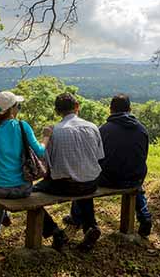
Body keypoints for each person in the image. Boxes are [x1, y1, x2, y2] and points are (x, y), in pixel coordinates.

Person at [66, 93, 152, 237]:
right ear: (130, 109)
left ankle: (77, 218)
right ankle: (145, 217)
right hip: (135, 178)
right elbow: (143, 156)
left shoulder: (104, 130)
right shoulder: (141, 129)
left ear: (110, 109)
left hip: (109, 179)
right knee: (136, 186)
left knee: (83, 180)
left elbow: (95, 158)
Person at [34, 93, 105, 251]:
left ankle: (54, 231)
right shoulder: (93, 127)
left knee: (29, 193)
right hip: (91, 183)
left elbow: (45, 165)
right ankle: (90, 227)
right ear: (77, 106)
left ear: (57, 111)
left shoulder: (54, 132)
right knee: (82, 181)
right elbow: (100, 157)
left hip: (64, 186)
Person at [0, 91, 49, 246]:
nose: (19, 108)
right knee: (3, 192)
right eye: (18, 106)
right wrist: (46, 137)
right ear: (11, 109)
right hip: (23, 188)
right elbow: (40, 151)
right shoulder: (23, 126)